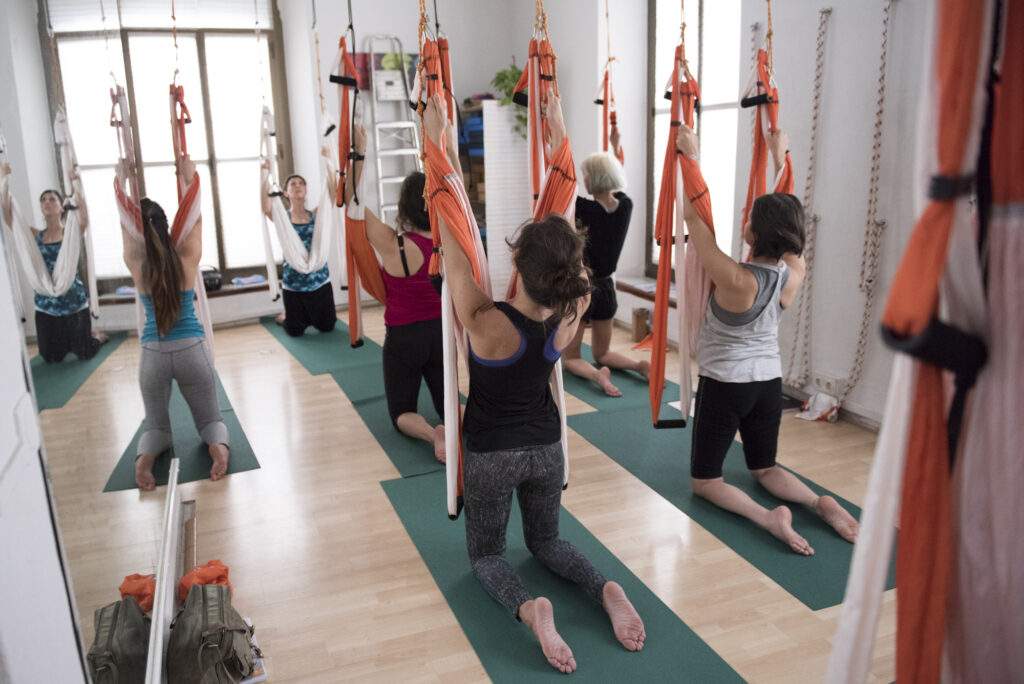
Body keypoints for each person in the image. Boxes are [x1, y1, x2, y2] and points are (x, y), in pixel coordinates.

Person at [425, 93, 645, 673]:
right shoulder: (572, 312)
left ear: (516, 270)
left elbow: (452, 242)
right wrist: (559, 132)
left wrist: (439, 151)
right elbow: (569, 254)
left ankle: (531, 609)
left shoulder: (488, 324)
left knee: (488, 556)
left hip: (493, 454)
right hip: (548, 449)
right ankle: (603, 589)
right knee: (547, 542)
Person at [676, 124, 858, 555]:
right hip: (768, 386)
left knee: (706, 481)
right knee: (764, 467)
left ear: (753, 234)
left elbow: (693, 220)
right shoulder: (792, 274)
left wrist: (689, 155)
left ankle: (767, 518)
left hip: (726, 386)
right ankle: (817, 501)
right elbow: (790, 225)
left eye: (749, 221)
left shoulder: (734, 277)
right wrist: (782, 156)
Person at [120, 156, 229, 491]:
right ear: (167, 227)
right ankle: (218, 452)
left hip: (153, 355)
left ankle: (145, 462)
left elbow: (126, 229)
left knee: (156, 429)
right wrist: (190, 176)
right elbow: (195, 219)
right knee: (211, 421)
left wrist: (120, 182)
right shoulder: (186, 258)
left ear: (138, 232)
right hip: (191, 352)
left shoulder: (136, 263)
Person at [344, 125, 448, 462]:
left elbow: (351, 201)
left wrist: (359, 151)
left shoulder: (394, 245)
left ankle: (433, 434)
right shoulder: (447, 242)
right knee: (448, 403)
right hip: (440, 335)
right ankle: (453, 428)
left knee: (402, 413)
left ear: (404, 205)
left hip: (404, 338)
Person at [562, 131, 648, 397]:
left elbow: (560, 187)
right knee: (603, 352)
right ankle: (638, 365)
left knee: (571, 357)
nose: (583, 179)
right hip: (608, 289)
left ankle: (598, 375)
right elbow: (617, 189)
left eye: (586, 174)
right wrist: (615, 148)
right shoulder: (625, 206)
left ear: (595, 178)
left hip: (584, 289)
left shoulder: (584, 209)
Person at [0, 162, 107, 362]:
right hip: (46, 305)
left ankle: (97, 337)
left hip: (73, 302)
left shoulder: (70, 233)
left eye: (52, 199)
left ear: (61, 206)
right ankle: (67, 340)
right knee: (50, 357)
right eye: (43, 200)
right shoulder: (35, 235)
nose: (47, 202)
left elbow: (83, 217)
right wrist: (3, 179)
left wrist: (76, 184)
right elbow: (8, 216)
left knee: (84, 353)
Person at [261, 155, 337, 337]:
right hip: (294, 285)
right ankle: (285, 317)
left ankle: (308, 316)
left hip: (319, 282)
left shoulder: (316, 216)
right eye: (292, 184)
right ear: (285, 193)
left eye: (301, 183)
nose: (297, 186)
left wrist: (329, 162)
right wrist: (264, 174)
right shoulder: (283, 219)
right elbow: (265, 206)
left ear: (306, 190)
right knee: (294, 331)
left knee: (327, 327)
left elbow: (332, 196)